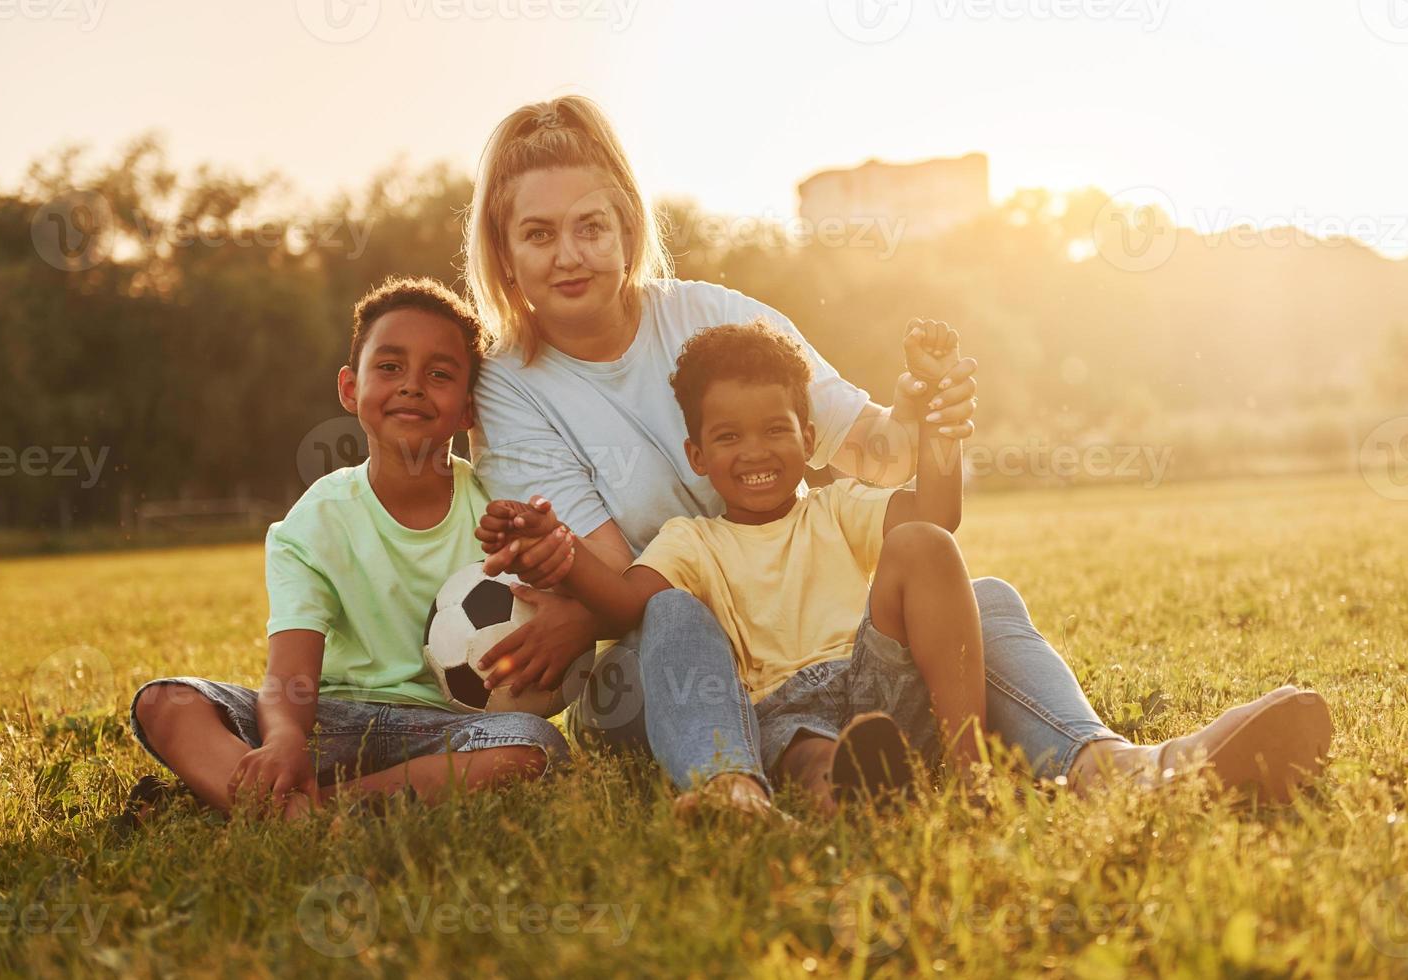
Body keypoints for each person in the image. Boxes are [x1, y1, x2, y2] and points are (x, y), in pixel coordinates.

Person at [463, 94, 1333, 815]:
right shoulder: (508, 384)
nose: (570, 255)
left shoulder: (712, 315)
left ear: (628, 226)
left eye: (591, 226)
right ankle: (752, 788)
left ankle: (1111, 766)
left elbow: (880, 453)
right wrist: (569, 580)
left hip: (822, 647)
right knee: (675, 623)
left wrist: (925, 413)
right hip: (670, 660)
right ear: (503, 252)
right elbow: (624, 591)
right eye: (538, 235)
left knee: (976, 597)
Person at [486, 320, 993, 816]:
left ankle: (972, 779)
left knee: (923, 541)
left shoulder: (836, 508)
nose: (754, 451)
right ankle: (854, 794)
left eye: (775, 429)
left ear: (809, 437)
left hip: (879, 686)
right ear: (697, 455)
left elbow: (937, 517)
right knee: (809, 755)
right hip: (785, 713)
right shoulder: (692, 542)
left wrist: (942, 424)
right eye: (728, 437)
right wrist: (561, 548)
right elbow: (622, 607)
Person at [125, 276, 570, 822]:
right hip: (328, 724)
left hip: (446, 731)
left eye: (439, 374)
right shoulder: (317, 519)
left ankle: (305, 813)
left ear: (469, 409)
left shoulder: (497, 510)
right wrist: (286, 737)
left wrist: (544, 548)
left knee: (533, 744)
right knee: (164, 702)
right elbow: (290, 673)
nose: (411, 386)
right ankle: (288, 797)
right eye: (389, 367)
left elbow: (552, 616)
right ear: (349, 388)